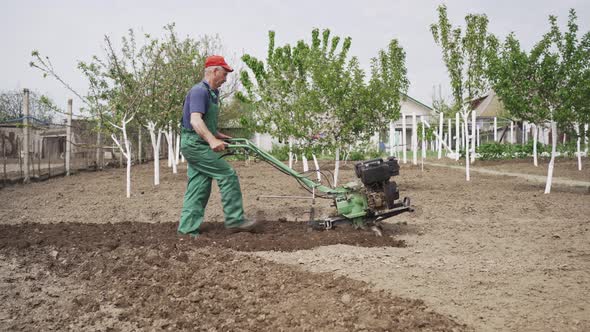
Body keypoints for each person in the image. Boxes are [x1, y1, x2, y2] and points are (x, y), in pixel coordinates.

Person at [178, 55, 258, 236]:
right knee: (227, 174)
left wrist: (219, 136)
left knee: (199, 185)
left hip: (199, 142)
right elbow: (195, 121)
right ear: (214, 71)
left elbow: (206, 124)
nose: (226, 79)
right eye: (224, 74)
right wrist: (212, 141)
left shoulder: (213, 93)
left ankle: (187, 230)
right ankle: (235, 220)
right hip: (195, 144)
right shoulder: (199, 91)